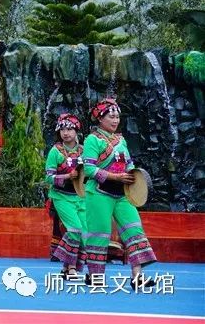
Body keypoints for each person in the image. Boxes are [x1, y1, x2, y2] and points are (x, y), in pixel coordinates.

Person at [82, 98, 157, 289]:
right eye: (111, 117)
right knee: (100, 234)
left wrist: (134, 176)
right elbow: (89, 170)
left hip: (123, 194)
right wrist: (116, 178)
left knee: (134, 229)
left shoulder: (121, 140)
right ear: (100, 119)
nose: (115, 121)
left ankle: (137, 276)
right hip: (99, 194)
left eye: (117, 117)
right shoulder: (92, 140)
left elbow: (128, 164)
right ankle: (95, 276)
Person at [45, 113, 86, 278]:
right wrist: (67, 177)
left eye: (69, 128)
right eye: (62, 129)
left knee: (85, 234)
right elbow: (49, 177)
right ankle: (71, 269)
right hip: (61, 196)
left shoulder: (84, 151)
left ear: (76, 130)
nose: (66, 132)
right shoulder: (55, 151)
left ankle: (65, 267)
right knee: (75, 230)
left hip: (81, 197)